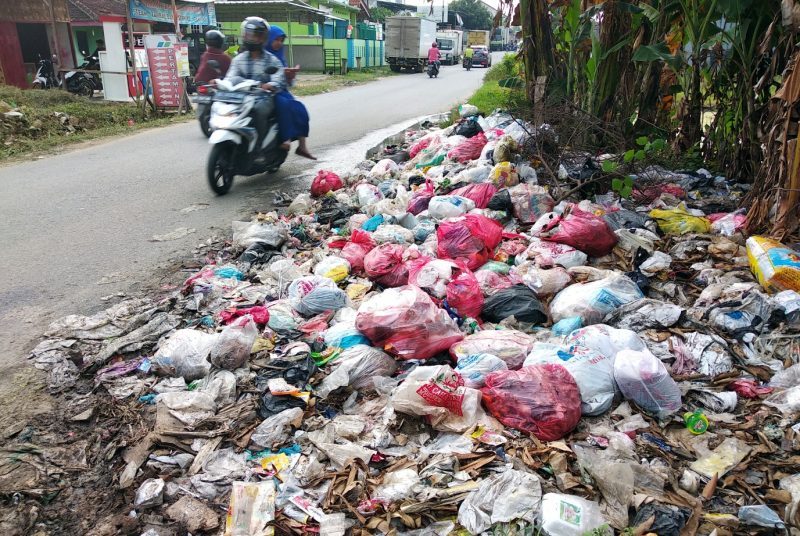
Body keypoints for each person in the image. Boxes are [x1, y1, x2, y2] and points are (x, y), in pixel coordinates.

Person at [224, 17, 286, 148]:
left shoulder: (272, 60)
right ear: (244, 35)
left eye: (257, 36)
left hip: (262, 97)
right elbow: (230, 78)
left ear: (264, 38)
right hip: (240, 98)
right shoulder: (238, 60)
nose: (252, 38)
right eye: (250, 35)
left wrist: (271, 85)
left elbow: (278, 79)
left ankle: (258, 147)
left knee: (258, 111)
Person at [265, 25, 316, 160]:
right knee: (283, 104)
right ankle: (285, 138)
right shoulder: (261, 56)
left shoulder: (279, 57)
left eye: (281, 40)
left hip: (279, 91)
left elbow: (287, 83)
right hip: (261, 92)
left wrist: (290, 76)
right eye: (276, 40)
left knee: (300, 109)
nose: (279, 43)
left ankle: (302, 146)